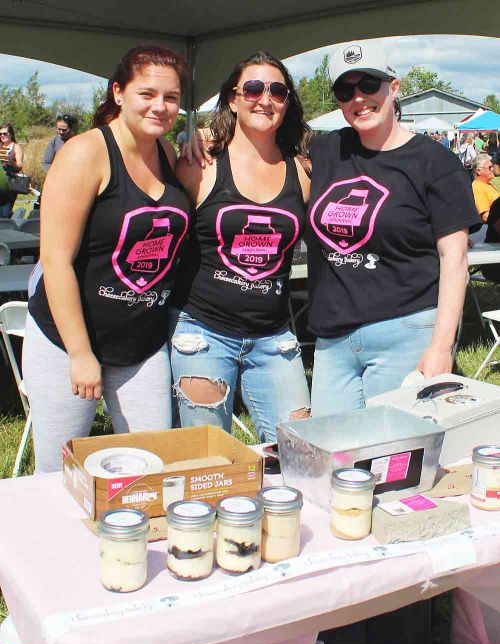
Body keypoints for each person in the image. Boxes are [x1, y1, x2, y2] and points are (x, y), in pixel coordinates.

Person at [23, 45, 190, 474]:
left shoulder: (167, 153)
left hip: (141, 344)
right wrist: (80, 353)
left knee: (152, 467)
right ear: (118, 92)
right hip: (67, 342)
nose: (160, 106)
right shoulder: (84, 153)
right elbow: (55, 261)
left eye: (171, 98)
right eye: (147, 94)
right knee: (57, 474)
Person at [307, 40, 477, 416]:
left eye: (370, 84)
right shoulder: (326, 150)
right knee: (335, 454)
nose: (358, 98)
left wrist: (441, 347)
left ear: (394, 87)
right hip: (333, 337)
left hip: (406, 330)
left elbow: (455, 258)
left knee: (396, 461)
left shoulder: (436, 162)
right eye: (345, 90)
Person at [170, 51, 311, 442]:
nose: (264, 99)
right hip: (203, 333)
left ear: (287, 103)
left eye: (277, 91)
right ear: (233, 98)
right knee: (208, 459)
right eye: (252, 88)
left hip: (275, 337)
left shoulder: (300, 169)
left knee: (299, 451)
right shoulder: (200, 162)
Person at [0, 123, 24, 218]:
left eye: (4, 133)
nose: (2, 136)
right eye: (0, 134)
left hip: (10, 184)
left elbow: (19, 166)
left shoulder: (16, 147)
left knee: (5, 213)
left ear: (11, 134)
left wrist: (11, 161)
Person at [472, 153, 499, 224]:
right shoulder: (478, 188)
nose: (492, 169)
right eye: (489, 167)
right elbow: (486, 217)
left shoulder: (487, 184)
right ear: (478, 171)